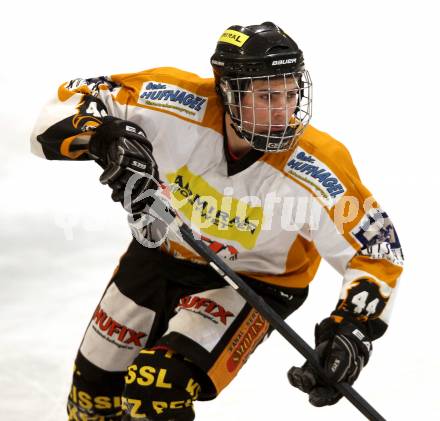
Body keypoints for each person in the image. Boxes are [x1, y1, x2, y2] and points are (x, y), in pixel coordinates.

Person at [31, 22, 404, 421]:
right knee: (92, 399)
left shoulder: (318, 165)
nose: (284, 110)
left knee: (157, 387)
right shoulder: (170, 102)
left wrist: (350, 330)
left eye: (291, 93)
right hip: (159, 252)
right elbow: (62, 110)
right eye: (267, 96)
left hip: (254, 283)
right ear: (228, 90)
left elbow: (376, 250)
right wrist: (102, 136)